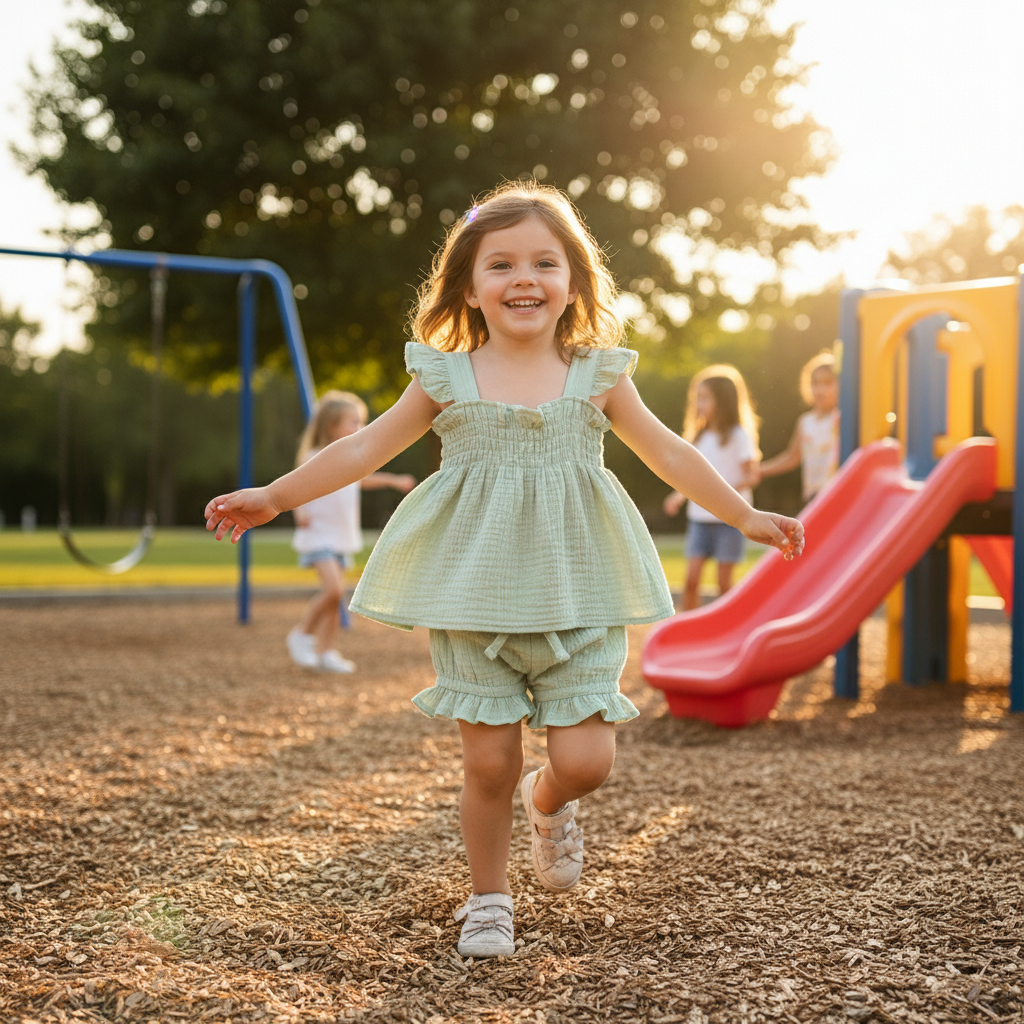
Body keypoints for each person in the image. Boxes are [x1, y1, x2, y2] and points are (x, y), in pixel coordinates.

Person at [205, 182, 804, 959]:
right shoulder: (445, 376)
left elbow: (670, 451)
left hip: (577, 588)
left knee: (585, 762)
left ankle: (548, 803)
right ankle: (489, 899)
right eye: (502, 264)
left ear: (573, 284)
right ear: (469, 288)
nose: (524, 277)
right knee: (487, 760)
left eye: (545, 262)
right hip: (476, 592)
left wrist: (743, 515)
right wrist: (276, 497)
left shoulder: (597, 374)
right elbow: (362, 449)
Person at [287, 390, 415, 674]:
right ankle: (302, 634)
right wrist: (300, 512)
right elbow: (295, 484)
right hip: (318, 534)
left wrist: (393, 481)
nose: (359, 428)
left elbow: (364, 480)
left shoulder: (348, 458)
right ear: (331, 425)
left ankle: (327, 652)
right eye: (353, 422)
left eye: (360, 422)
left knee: (336, 597)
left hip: (339, 536)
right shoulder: (314, 456)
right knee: (333, 590)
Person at [663, 365, 761, 611]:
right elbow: (692, 479)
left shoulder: (739, 436)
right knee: (691, 580)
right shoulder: (698, 437)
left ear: (724, 401)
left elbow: (753, 476)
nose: (699, 403)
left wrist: (722, 491)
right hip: (700, 519)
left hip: (730, 519)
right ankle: (687, 631)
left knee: (723, 584)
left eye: (705, 398)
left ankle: (729, 628)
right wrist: (678, 497)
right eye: (698, 397)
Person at [755, 350, 839, 503]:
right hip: (813, 495)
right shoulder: (806, 421)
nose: (820, 390)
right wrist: (760, 470)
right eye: (815, 383)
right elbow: (792, 457)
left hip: (837, 493)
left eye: (828, 383)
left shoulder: (839, 418)